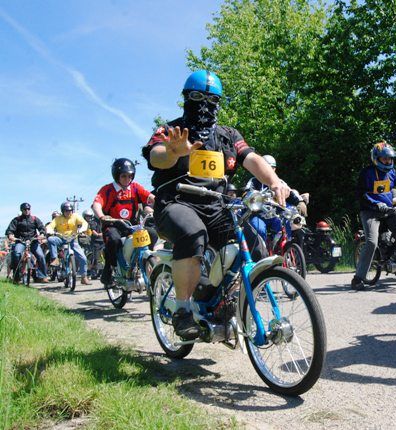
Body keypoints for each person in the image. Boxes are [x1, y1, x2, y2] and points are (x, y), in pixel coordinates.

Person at [142, 69, 290, 340]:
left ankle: (227, 299)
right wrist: (174, 151)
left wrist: (275, 181)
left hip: (217, 206)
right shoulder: (171, 130)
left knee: (253, 242)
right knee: (192, 234)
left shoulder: (228, 135)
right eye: (197, 97)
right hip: (176, 203)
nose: (204, 105)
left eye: (211, 100)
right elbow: (156, 156)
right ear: (186, 98)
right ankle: (183, 310)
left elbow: (251, 158)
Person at [351, 141, 396, 290]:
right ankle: (358, 278)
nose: (388, 161)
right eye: (385, 159)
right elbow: (361, 194)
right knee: (372, 242)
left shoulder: (392, 172)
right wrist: (375, 203)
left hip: (388, 211)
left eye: (389, 159)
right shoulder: (367, 173)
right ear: (376, 158)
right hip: (370, 212)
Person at [92, 158, 158, 286]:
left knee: (152, 234)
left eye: (130, 176)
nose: (127, 179)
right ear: (116, 175)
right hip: (112, 225)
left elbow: (150, 197)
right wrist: (101, 216)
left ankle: (143, 260)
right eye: (123, 176)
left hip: (131, 225)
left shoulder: (135, 187)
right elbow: (97, 204)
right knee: (114, 241)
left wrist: (160, 203)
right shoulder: (108, 189)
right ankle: (109, 269)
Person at [245, 154, 303, 243]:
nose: (271, 170)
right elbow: (247, 193)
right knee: (258, 230)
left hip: (276, 215)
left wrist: (299, 202)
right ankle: (261, 254)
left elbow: (291, 195)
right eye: (268, 167)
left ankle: (286, 250)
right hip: (258, 214)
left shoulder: (280, 183)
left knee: (285, 230)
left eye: (273, 167)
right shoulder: (254, 181)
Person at [47, 202, 90, 285]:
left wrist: (81, 230)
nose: (68, 212)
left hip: (73, 239)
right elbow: (49, 226)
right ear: (63, 211)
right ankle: (55, 259)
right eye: (66, 211)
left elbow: (85, 223)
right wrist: (50, 231)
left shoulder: (76, 216)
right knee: (51, 239)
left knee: (83, 258)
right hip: (61, 239)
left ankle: (84, 277)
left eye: (70, 210)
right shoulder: (57, 219)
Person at [5, 202, 49, 282]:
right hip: (20, 241)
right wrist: (11, 235)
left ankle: (43, 276)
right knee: (16, 254)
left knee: (41, 255)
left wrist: (42, 234)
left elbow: (42, 228)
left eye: (28, 209)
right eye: (25, 209)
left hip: (33, 241)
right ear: (21, 210)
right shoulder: (16, 220)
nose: (27, 211)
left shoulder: (34, 219)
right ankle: (16, 276)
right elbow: (9, 230)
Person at [82, 209, 104, 279]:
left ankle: (102, 271)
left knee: (104, 258)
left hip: (104, 241)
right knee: (95, 258)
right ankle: (93, 272)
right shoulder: (93, 222)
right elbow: (94, 232)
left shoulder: (104, 221)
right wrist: (101, 234)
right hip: (96, 242)